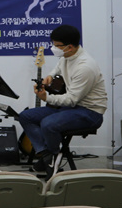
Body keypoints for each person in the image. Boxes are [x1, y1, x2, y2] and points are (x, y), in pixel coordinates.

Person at [17, 24, 106, 177]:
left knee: (48, 124)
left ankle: (52, 156)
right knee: (26, 116)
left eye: (57, 45)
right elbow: (59, 67)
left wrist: (46, 97)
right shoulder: (67, 56)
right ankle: (47, 154)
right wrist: (50, 76)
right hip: (71, 108)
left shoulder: (85, 67)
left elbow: (71, 99)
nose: (54, 48)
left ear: (69, 47)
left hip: (90, 112)